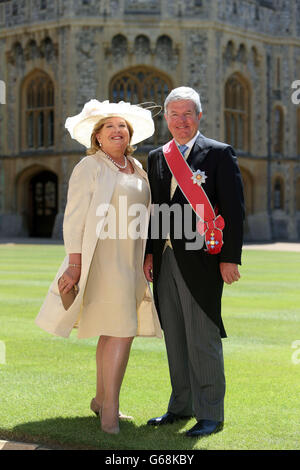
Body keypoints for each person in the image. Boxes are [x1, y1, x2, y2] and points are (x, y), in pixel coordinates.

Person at [35, 99, 162, 435]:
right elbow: (74, 218)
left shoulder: (137, 168)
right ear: (98, 137)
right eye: (109, 127)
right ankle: (110, 408)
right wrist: (74, 265)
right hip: (101, 259)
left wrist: (148, 256)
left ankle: (100, 398)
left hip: (130, 259)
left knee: (116, 330)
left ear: (130, 134)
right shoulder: (89, 167)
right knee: (120, 328)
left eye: (122, 126)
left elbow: (146, 218)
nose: (117, 131)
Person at [144, 87, 244, 438]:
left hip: (203, 260)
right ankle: (180, 406)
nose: (182, 121)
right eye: (175, 115)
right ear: (166, 119)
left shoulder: (218, 153)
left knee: (202, 337)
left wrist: (230, 258)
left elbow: (233, 210)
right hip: (166, 259)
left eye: (188, 114)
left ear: (199, 116)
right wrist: (149, 254)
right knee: (175, 336)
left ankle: (210, 413)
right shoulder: (157, 156)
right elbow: (154, 210)